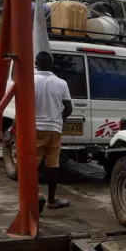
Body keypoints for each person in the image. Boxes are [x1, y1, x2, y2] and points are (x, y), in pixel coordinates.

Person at [34, 51, 72, 210]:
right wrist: (59, 119)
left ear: (36, 64)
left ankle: (34, 196)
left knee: (31, 165)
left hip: (34, 128)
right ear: (52, 64)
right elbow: (68, 108)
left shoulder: (30, 80)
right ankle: (51, 199)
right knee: (53, 166)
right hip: (54, 130)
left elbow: (21, 106)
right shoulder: (61, 83)